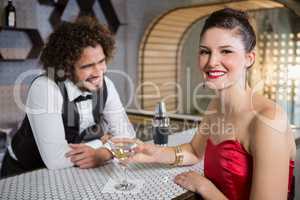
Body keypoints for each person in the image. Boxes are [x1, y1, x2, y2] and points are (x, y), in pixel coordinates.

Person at [126, 8, 296, 200]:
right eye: (205, 52)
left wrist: (205, 187)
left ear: (249, 58)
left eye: (226, 51)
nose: (212, 61)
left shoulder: (268, 120)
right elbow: (194, 152)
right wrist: (156, 153)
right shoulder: (216, 106)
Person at [0, 17, 135, 178]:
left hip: (73, 172)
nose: (99, 72)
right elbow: (56, 160)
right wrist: (102, 142)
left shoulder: (106, 84)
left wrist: (104, 153)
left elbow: (128, 136)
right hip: (24, 173)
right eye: (87, 66)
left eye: (101, 61)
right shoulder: (45, 88)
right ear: (66, 68)